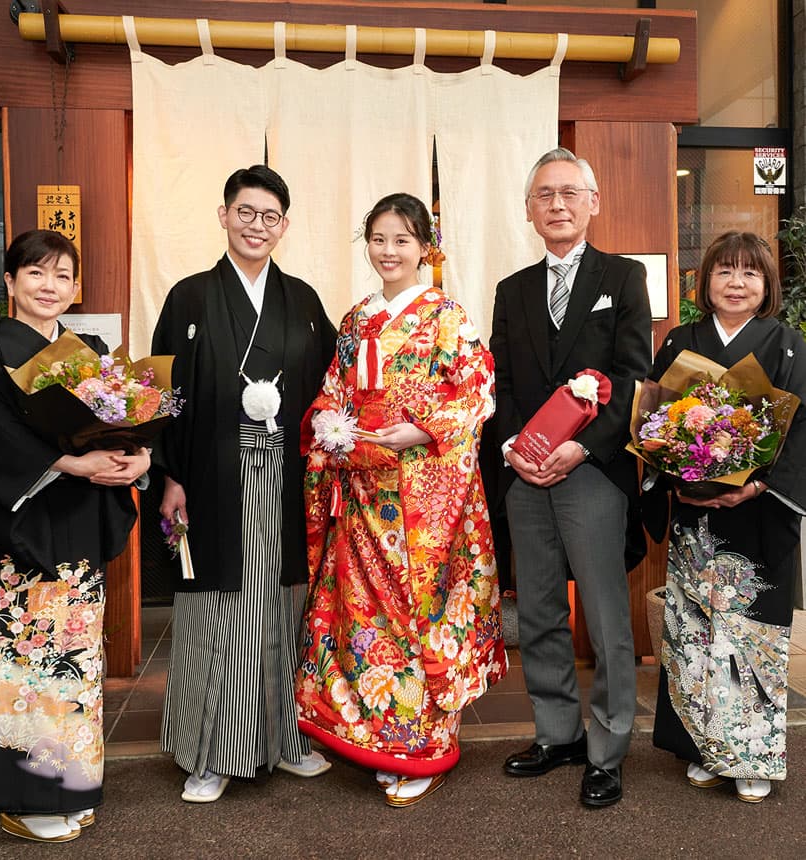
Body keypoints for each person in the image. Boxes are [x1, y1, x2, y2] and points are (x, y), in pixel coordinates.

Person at [295, 192, 508, 808]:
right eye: (379, 239)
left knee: (421, 619)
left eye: (402, 241)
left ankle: (420, 747)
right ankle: (370, 735)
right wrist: (331, 424)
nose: (389, 252)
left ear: (425, 248)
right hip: (361, 492)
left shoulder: (448, 317)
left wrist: (422, 429)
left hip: (423, 500)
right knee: (362, 619)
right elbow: (333, 388)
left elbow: (476, 394)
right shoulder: (358, 318)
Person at [0, 229, 150, 842]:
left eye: (63, 275)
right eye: (35, 274)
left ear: (75, 286)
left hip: (80, 518)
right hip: (26, 520)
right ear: (10, 282)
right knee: (28, 658)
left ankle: (73, 782)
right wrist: (71, 464)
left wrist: (137, 456)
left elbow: (124, 416)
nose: (50, 286)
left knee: (77, 655)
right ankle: (29, 797)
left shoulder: (85, 349)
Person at [151, 165, 337, 802]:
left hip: (285, 473)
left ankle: (288, 739)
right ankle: (210, 753)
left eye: (270, 217)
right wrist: (170, 475)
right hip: (211, 475)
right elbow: (166, 396)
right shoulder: (190, 298)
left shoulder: (304, 301)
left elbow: (329, 392)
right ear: (224, 215)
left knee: (286, 608)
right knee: (217, 611)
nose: (258, 226)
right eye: (246, 212)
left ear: (284, 226)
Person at [490, 148, 652, 807]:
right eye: (543, 196)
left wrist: (584, 451)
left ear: (593, 203)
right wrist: (511, 448)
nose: (557, 204)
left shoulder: (624, 276)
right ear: (528, 212)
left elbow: (635, 376)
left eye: (568, 193)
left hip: (591, 472)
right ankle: (556, 733)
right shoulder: (512, 290)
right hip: (525, 475)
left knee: (609, 617)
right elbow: (500, 383)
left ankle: (607, 750)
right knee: (539, 613)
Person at [648, 231, 806, 803]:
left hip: (760, 515)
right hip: (697, 515)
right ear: (705, 281)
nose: (736, 283)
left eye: (750, 273)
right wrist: (676, 477)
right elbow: (655, 423)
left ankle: (752, 754)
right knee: (695, 630)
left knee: (751, 634)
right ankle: (703, 749)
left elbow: (801, 429)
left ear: (766, 286)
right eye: (724, 272)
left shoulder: (789, 345)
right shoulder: (680, 342)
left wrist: (758, 483)